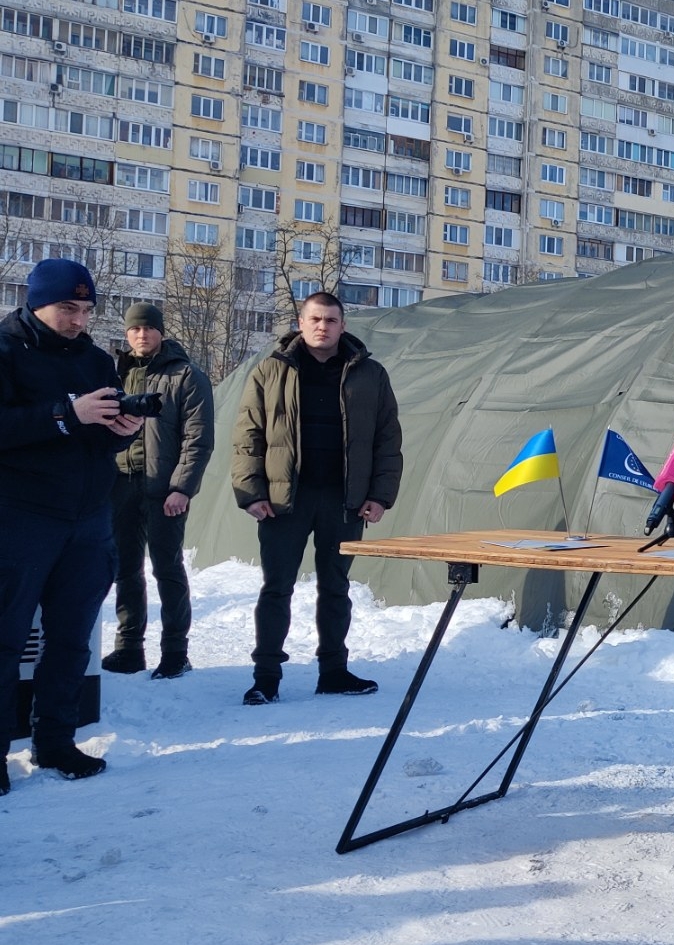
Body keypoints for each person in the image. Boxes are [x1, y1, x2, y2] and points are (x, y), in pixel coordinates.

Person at [0, 259, 146, 793]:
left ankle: (56, 741)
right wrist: (65, 414)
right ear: (35, 301)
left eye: (86, 309)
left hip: (87, 520)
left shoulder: (94, 360)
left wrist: (122, 431)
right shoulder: (7, 350)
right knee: (5, 638)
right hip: (19, 517)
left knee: (70, 640)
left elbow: (98, 437)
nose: (78, 319)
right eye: (68, 308)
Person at [231, 291, 402, 706]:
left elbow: (387, 438)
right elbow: (247, 437)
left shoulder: (369, 374)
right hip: (284, 501)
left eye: (330, 320)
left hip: (344, 501)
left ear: (343, 325)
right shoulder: (271, 371)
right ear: (300, 322)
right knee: (276, 588)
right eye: (314, 319)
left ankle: (334, 672)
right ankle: (266, 678)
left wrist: (379, 496)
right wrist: (252, 493)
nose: (322, 327)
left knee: (335, 587)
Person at [102, 303, 214, 680]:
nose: (142, 335)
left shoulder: (186, 376)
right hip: (120, 484)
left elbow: (198, 440)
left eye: (149, 328)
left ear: (161, 332)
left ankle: (175, 652)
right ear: (126, 333)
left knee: (167, 568)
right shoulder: (113, 374)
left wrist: (181, 488)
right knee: (126, 570)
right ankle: (129, 647)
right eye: (135, 329)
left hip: (164, 489)